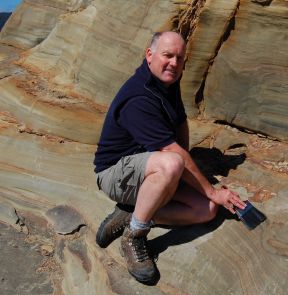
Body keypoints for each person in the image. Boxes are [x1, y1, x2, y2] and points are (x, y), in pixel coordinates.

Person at [93, 31, 246, 285]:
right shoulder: (139, 97)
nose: (174, 63)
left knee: (205, 211)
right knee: (174, 163)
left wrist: (186, 180)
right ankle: (134, 235)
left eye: (179, 57)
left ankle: (131, 212)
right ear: (149, 55)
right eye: (167, 55)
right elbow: (173, 154)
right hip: (114, 175)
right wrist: (212, 191)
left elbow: (180, 122)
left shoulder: (167, 82)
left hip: (148, 170)